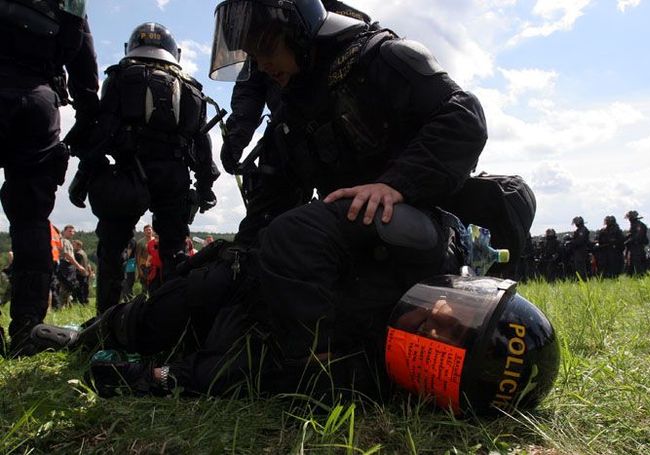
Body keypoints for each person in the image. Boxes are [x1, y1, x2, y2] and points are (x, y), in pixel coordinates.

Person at [34, 0, 487, 401]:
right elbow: (269, 203)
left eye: (266, 48)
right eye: (251, 54)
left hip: (418, 236)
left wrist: (396, 183)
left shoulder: (381, 57)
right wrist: (232, 264)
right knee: (223, 272)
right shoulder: (294, 111)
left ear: (296, 30)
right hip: (347, 247)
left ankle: (315, 370)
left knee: (295, 235)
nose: (262, 65)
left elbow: (463, 117)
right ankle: (101, 333)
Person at [67, 22, 221, 315]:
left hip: (129, 173)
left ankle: (108, 320)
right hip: (174, 175)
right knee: (175, 249)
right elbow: (202, 144)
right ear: (174, 52)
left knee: (113, 247)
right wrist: (205, 186)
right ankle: (173, 319)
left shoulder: (121, 78)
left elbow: (102, 132)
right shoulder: (190, 87)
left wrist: (83, 175)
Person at [0, 0, 99, 356]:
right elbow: (85, 75)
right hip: (38, 103)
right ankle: (27, 329)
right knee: (31, 220)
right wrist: (86, 121)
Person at [219, 0, 373, 176]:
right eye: (255, 56)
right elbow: (249, 88)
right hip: (292, 123)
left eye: (268, 48)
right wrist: (237, 134)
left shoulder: (357, 40)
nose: (263, 65)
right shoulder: (259, 43)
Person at [624, 210, 648, 276]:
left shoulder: (639, 225)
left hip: (638, 247)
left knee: (637, 263)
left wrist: (628, 241)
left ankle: (640, 276)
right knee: (631, 263)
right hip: (632, 247)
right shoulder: (633, 225)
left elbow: (638, 237)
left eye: (630, 218)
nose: (629, 219)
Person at [135, 224, 154, 293]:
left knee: (153, 284)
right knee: (145, 285)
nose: (148, 231)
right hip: (144, 266)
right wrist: (139, 269)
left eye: (149, 229)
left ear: (152, 231)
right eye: (146, 230)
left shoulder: (156, 241)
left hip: (154, 266)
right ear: (144, 232)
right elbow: (138, 256)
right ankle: (144, 300)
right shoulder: (140, 242)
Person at [72, 239, 93, 304]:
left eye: (74, 244)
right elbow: (88, 264)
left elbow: (77, 265)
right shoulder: (83, 253)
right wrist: (90, 272)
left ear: (78, 246)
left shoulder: (77, 254)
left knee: (79, 289)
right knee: (85, 289)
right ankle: (85, 302)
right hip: (85, 273)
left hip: (80, 274)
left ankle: (81, 302)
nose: (72, 246)